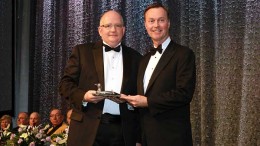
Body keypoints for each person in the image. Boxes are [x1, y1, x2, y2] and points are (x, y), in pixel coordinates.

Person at [59, 10, 142, 146]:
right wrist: (84, 96)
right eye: (108, 26)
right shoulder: (82, 51)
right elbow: (65, 84)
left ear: (124, 30)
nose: (113, 30)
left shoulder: (136, 58)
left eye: (117, 25)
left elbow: (140, 96)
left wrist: (139, 137)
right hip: (86, 128)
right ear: (100, 30)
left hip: (123, 132)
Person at [121, 3, 196, 146]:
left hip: (173, 138)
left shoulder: (183, 54)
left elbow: (184, 93)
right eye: (151, 21)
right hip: (146, 138)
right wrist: (138, 138)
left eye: (161, 20)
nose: (156, 25)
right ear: (145, 25)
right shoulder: (143, 60)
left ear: (168, 23)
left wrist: (148, 102)